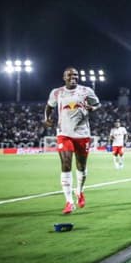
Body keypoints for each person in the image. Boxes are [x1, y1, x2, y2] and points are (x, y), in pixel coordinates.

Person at [44, 67, 100, 214]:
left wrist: (92, 109)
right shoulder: (57, 92)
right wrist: (47, 118)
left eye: (75, 75)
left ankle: (79, 191)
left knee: (81, 166)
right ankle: (69, 202)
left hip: (82, 134)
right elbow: (49, 106)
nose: (73, 77)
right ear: (64, 77)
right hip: (64, 133)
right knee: (66, 163)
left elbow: (97, 104)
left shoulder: (86, 90)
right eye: (69, 75)